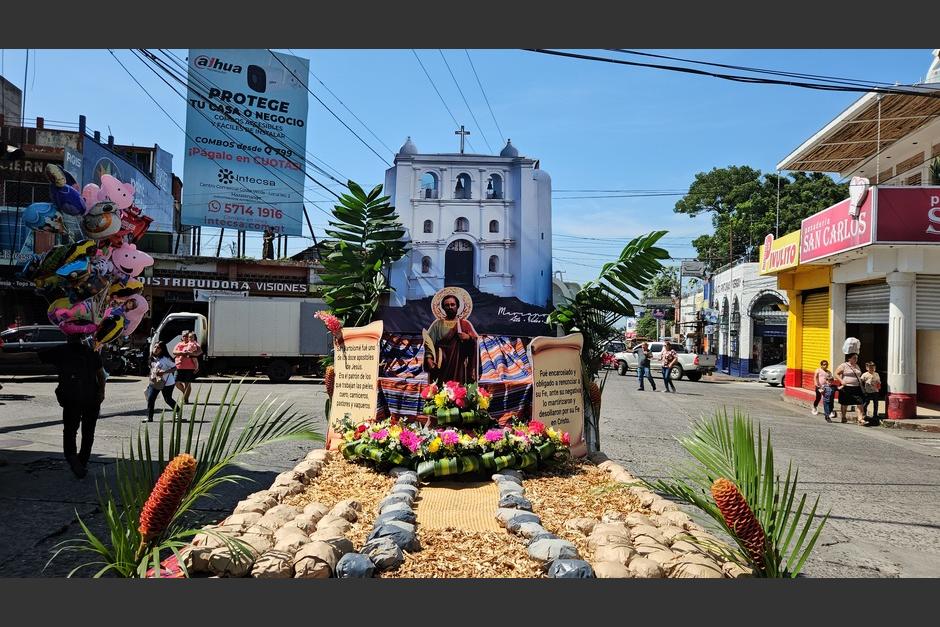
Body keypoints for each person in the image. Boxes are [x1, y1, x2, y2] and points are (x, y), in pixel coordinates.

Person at [38, 334, 106, 478]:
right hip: (91, 397)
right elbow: (101, 374)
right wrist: (101, 392)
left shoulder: (61, 350)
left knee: (70, 431)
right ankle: (82, 461)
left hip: (71, 398)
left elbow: (37, 356)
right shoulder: (91, 352)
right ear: (81, 338)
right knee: (88, 432)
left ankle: (73, 460)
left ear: (68, 337)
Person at [424, 294, 478, 385]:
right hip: (441, 364)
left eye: (452, 304)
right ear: (443, 308)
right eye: (447, 305)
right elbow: (429, 343)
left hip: (458, 364)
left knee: (457, 388)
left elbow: (474, 342)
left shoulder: (464, 324)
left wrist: (468, 338)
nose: (450, 307)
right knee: (440, 389)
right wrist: (429, 358)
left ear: (457, 306)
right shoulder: (437, 325)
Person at [146, 342, 178, 423]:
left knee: (168, 399)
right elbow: (152, 370)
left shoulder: (165, 359)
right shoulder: (152, 358)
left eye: (158, 348)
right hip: (155, 382)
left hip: (167, 382)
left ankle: (178, 411)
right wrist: (150, 381)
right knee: (150, 399)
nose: (156, 349)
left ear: (162, 350)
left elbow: (175, 367)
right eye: (155, 347)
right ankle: (149, 417)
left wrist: (165, 372)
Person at [835, 353, 866, 425]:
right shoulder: (844, 365)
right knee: (845, 403)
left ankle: (860, 419)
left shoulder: (857, 366)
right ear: (849, 358)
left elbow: (859, 375)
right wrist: (841, 381)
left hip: (857, 387)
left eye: (856, 358)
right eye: (854, 358)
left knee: (860, 402)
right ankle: (843, 417)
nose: (856, 359)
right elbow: (836, 373)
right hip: (846, 387)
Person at [173, 331, 202, 403]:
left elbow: (200, 352)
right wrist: (182, 353)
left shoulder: (193, 343)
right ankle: (185, 393)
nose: (185, 337)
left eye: (186, 336)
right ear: (182, 337)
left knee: (187, 383)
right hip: (179, 366)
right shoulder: (179, 344)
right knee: (176, 382)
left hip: (189, 367)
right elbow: (174, 352)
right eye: (183, 336)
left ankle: (185, 399)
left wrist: (191, 353)